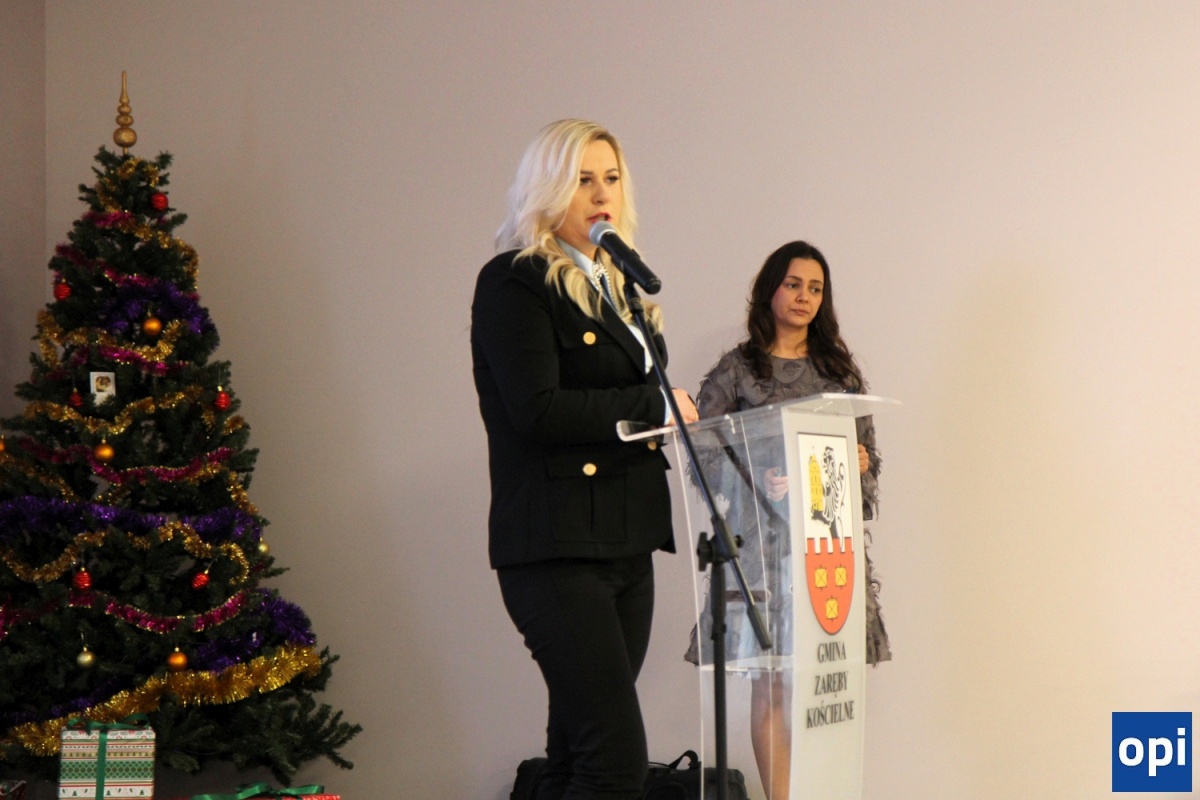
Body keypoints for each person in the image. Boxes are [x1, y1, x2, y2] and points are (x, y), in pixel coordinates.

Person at [472, 119, 699, 800]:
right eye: (582, 180)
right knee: (614, 766)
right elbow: (537, 410)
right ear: (547, 189)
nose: (601, 195)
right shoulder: (515, 280)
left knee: (575, 756)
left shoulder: (618, 287)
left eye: (611, 178)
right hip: (558, 547)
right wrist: (656, 405)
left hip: (628, 540)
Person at [689, 240, 891, 800]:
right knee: (774, 688)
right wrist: (758, 480)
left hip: (828, 553)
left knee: (826, 687)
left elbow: (869, 465)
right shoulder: (736, 372)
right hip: (764, 553)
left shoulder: (840, 375)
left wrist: (859, 463)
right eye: (794, 284)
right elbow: (703, 456)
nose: (804, 297)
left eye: (815, 288)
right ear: (770, 290)